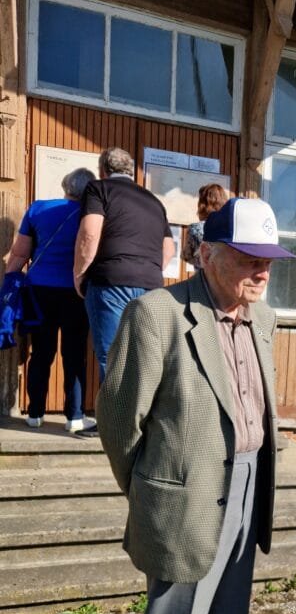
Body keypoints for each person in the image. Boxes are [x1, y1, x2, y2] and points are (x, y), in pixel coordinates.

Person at [96, 196, 295, 614]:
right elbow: (120, 423)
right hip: (183, 499)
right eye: (248, 257)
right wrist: (154, 494)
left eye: (269, 260)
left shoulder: (261, 317)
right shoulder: (156, 314)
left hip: (244, 493)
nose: (262, 272)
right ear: (206, 253)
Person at [73, 146, 175, 385]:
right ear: (130, 171)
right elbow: (169, 249)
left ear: (102, 170)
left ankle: (115, 422)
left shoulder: (98, 189)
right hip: (150, 286)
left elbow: (89, 233)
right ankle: (139, 419)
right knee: (144, 356)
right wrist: (146, 269)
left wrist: (79, 273)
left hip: (110, 282)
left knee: (112, 356)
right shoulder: (153, 201)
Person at [4, 168, 95, 431]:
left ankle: (34, 413)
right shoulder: (92, 216)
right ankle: (75, 417)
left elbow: (19, 254)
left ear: (66, 185)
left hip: (39, 290)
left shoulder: (37, 209)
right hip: (76, 292)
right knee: (74, 354)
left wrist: (9, 288)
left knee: (41, 352)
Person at [182, 183, 229, 270]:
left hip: (203, 279)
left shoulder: (195, 228)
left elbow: (186, 256)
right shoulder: (230, 228)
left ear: (202, 204)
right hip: (226, 278)